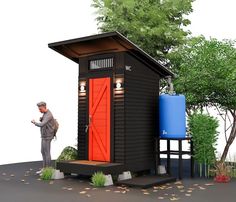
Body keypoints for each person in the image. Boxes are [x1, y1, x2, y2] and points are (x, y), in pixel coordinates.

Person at [31, 101, 55, 174]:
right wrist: (42, 119)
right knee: (42, 151)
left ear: (44, 107)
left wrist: (34, 122)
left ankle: (48, 170)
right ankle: (44, 168)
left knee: (47, 152)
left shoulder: (48, 115)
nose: (39, 110)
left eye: (40, 109)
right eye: (39, 109)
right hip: (44, 135)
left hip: (48, 136)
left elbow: (41, 125)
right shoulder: (45, 114)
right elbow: (44, 122)